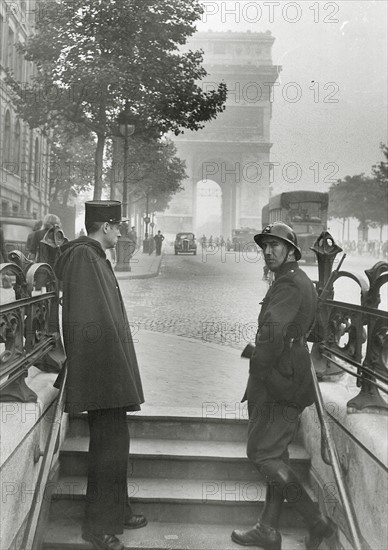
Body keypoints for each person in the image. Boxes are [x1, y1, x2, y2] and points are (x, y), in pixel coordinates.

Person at [231, 222, 336, 550]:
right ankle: (268, 529)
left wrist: (257, 360)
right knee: (274, 455)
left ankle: (317, 522)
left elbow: (273, 334)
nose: (268, 251)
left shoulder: (289, 284)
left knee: (263, 455)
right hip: (289, 376)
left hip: (278, 382)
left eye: (275, 245)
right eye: (265, 245)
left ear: (292, 250)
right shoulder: (297, 280)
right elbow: (313, 331)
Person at [54, 200, 147, 550]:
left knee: (116, 445)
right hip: (101, 373)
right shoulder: (83, 257)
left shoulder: (93, 256)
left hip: (110, 370)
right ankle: (98, 526)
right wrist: (110, 371)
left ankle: (118, 510)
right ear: (105, 227)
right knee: (107, 449)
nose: (121, 232)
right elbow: (87, 320)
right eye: (117, 226)